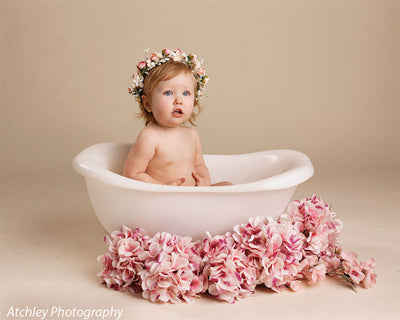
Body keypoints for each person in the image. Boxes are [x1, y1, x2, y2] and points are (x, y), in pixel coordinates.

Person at [124, 48, 232, 187]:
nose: (179, 100)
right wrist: (163, 188)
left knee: (228, 185)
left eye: (186, 93)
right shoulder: (150, 137)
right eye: (168, 93)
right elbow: (132, 174)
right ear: (147, 103)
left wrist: (204, 179)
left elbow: (199, 165)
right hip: (168, 199)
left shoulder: (192, 136)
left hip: (193, 195)